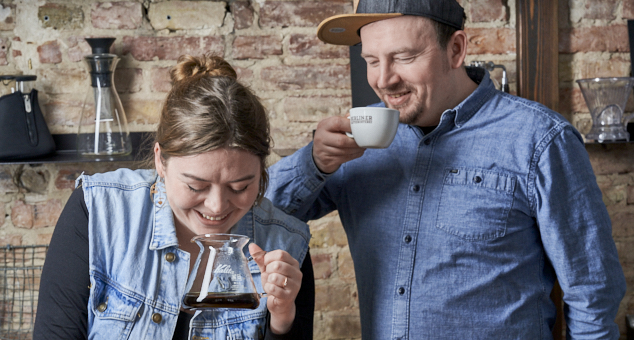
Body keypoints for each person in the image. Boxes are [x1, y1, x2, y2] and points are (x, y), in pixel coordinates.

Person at [265, 0, 626, 339]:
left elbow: (591, 290)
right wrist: (313, 163)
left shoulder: (540, 139)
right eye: (372, 61)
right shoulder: (354, 143)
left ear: (455, 49)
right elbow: (251, 216)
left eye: (403, 57)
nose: (384, 80)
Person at [33, 54, 314, 340]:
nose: (217, 206)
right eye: (196, 187)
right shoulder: (97, 211)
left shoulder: (287, 244)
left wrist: (282, 321)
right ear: (161, 161)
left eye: (240, 187)